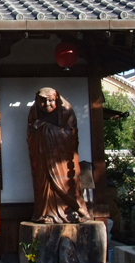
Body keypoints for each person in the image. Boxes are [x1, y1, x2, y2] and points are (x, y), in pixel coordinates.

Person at [27, 88, 90, 224]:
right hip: (42, 159)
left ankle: (73, 212)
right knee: (44, 186)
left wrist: (47, 129)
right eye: (43, 101)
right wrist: (39, 133)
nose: (47, 104)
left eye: (50, 101)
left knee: (67, 184)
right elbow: (30, 134)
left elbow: (71, 134)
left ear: (56, 99)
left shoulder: (65, 110)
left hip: (61, 160)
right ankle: (45, 214)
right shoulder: (34, 111)